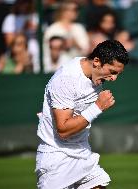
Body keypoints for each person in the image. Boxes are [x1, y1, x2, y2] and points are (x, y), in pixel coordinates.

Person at [35, 40, 129, 189]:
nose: (114, 79)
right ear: (97, 61)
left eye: (118, 74)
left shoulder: (94, 75)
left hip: (82, 153)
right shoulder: (66, 78)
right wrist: (98, 107)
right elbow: (63, 130)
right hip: (56, 158)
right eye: (112, 72)